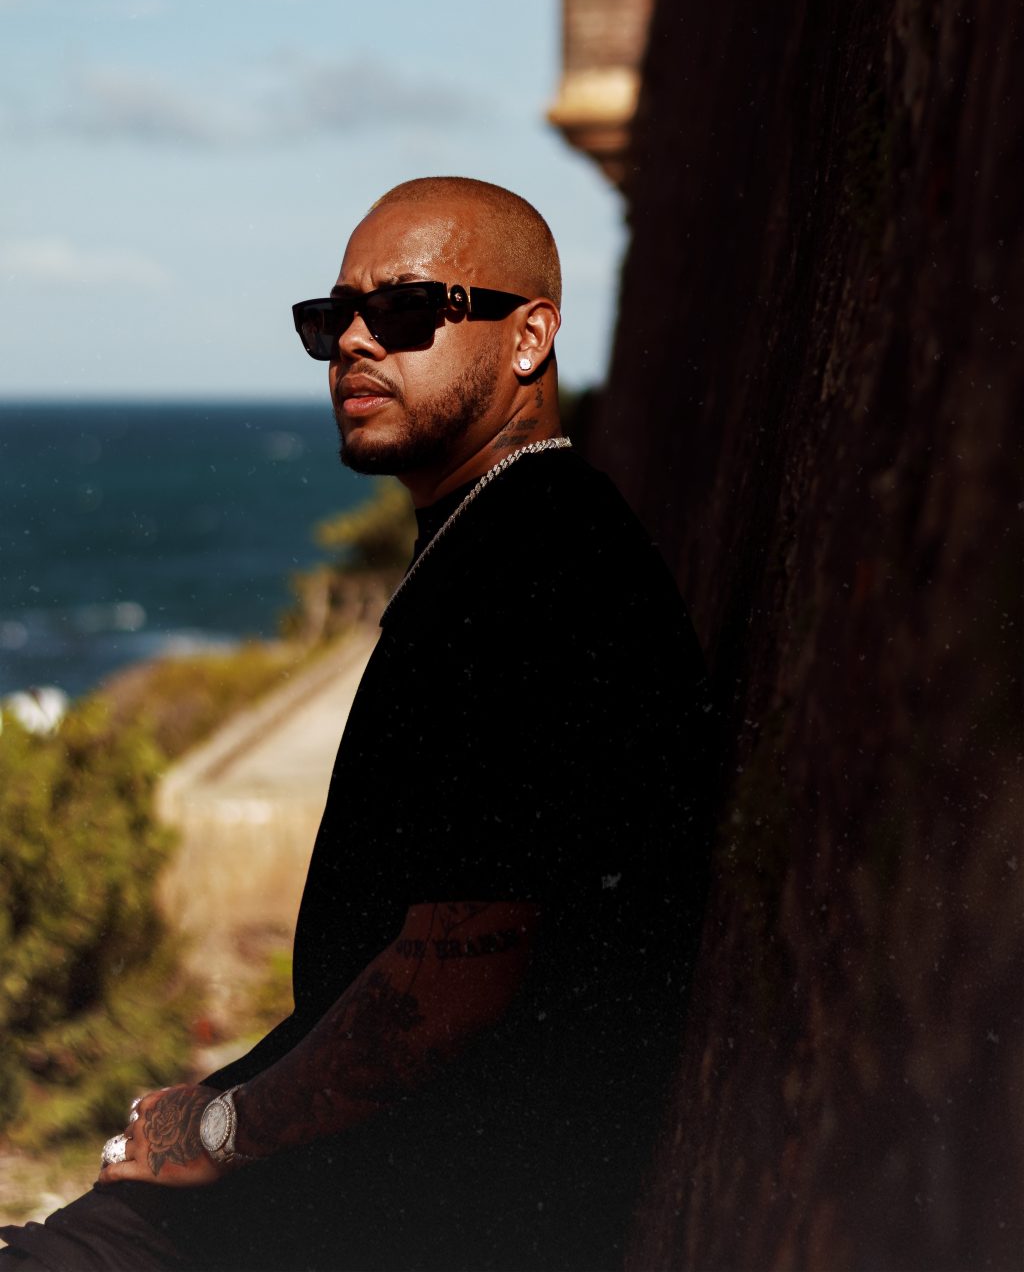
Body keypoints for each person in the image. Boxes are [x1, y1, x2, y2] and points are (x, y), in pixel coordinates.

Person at [1, 178, 717, 1271]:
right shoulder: (498, 542)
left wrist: (219, 1128)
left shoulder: (534, 566)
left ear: (529, 338)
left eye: (407, 309)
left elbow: (454, 982)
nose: (353, 343)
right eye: (332, 318)